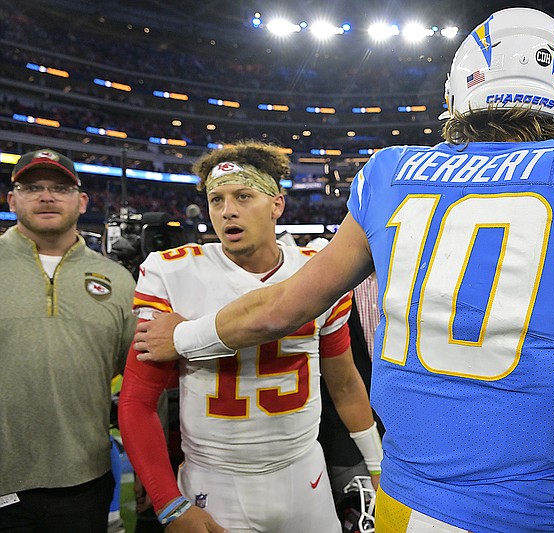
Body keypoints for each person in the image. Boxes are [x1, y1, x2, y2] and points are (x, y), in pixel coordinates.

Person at [133, 8, 554, 533]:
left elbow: (282, 307)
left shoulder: (391, 173)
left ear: (459, 90)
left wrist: (183, 337)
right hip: (524, 518)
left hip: (401, 507)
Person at [118, 140, 382, 532]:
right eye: (217, 199)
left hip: (303, 472)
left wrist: (376, 465)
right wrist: (169, 504)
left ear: (277, 204)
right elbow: (137, 401)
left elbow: (344, 384)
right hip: (214, 479)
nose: (227, 211)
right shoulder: (171, 273)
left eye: (243, 196)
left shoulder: (317, 270)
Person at [0, 148, 137, 532]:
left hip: (84, 480)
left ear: (81, 201)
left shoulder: (118, 281)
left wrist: (147, 465)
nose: (46, 196)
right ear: (12, 199)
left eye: (59, 187)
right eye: (32, 187)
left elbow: (143, 385)